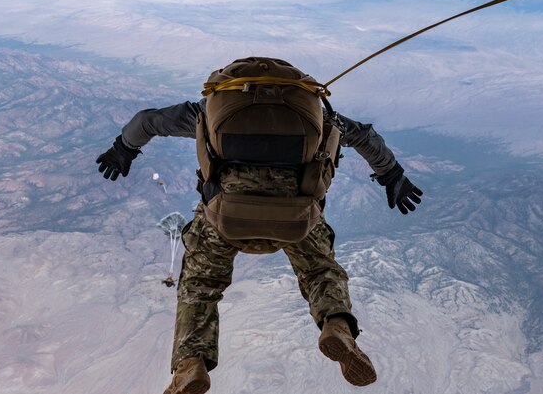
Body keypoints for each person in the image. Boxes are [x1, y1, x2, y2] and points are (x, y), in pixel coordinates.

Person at [96, 57, 423, 394]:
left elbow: (147, 121)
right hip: (296, 216)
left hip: (224, 215)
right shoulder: (319, 113)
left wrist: (124, 149)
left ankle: (191, 363)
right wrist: (392, 175)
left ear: (229, 88)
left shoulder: (207, 109)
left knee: (199, 285)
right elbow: (366, 137)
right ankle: (337, 325)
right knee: (321, 272)